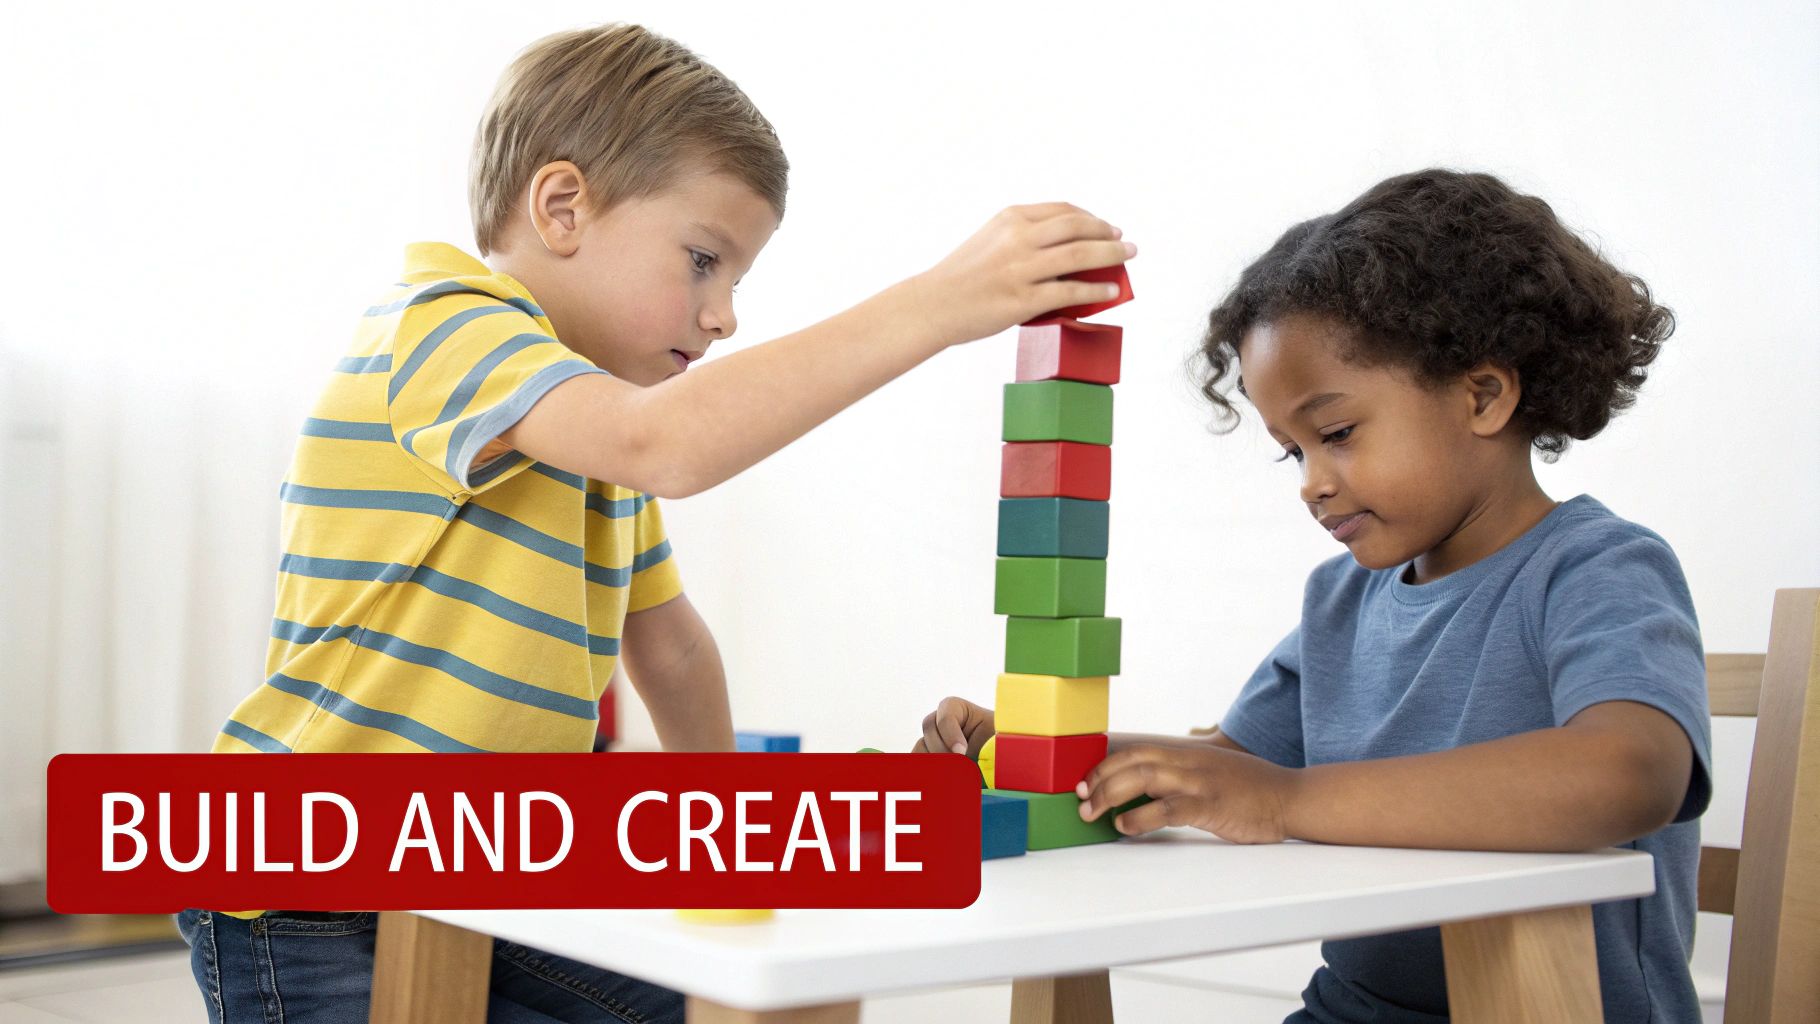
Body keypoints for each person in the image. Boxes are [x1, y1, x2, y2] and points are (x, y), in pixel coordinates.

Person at [179, 22, 1134, 1024]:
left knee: (737, 995)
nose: (724, 315)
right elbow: (666, 445)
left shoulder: (586, 439)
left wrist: (728, 836)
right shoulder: (444, 323)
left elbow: (671, 648)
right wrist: (937, 304)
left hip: (487, 873)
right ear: (562, 207)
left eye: (736, 281)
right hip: (302, 885)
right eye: (702, 260)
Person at [916, 169, 1708, 1023]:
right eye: (1294, 452)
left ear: (1482, 395)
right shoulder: (1341, 600)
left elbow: (1630, 773)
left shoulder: (1595, 568)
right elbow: (1222, 769)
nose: (1312, 483)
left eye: (1336, 434)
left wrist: (1286, 799)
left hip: (1550, 1005)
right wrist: (1037, 750)